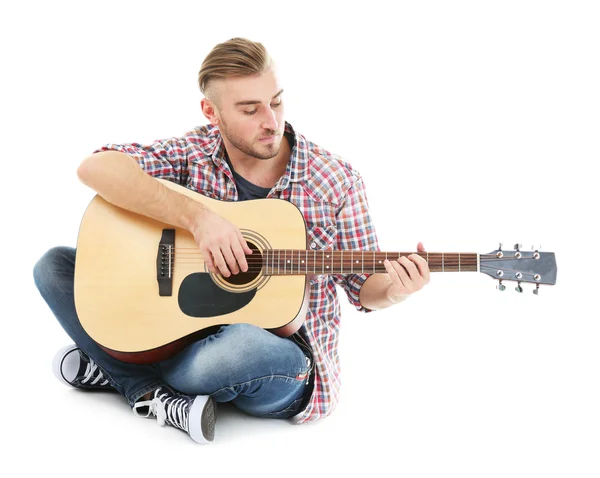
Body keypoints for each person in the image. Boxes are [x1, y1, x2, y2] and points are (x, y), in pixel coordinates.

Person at [33, 37, 430, 444]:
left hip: (282, 359)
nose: (271, 121)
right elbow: (96, 168)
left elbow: (365, 287)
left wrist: (395, 290)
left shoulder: (334, 180)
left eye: (276, 102)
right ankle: (149, 391)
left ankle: (123, 367)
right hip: (188, 335)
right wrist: (199, 219)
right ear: (212, 112)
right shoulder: (195, 151)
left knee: (240, 347)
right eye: (249, 109)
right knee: (55, 266)